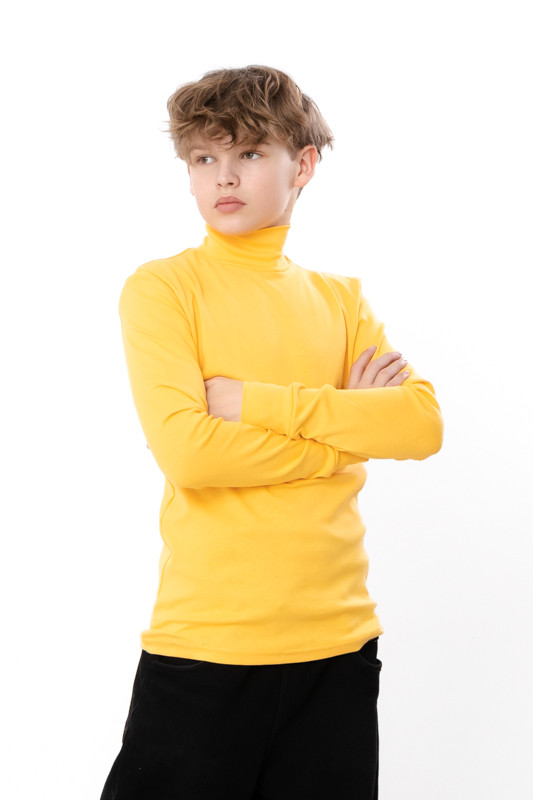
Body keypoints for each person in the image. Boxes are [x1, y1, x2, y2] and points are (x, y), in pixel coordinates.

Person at [99, 65, 443, 800]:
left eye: (249, 153)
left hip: (338, 647)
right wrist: (351, 430)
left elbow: (420, 424)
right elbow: (190, 454)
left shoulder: (340, 300)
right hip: (207, 648)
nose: (223, 176)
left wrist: (254, 402)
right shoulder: (164, 289)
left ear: (303, 165)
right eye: (203, 157)